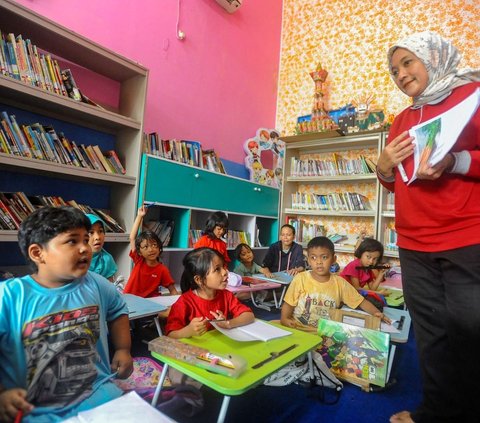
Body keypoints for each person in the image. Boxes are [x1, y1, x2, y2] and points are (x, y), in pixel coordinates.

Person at [376, 31, 480, 423]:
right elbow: (396, 179)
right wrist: (384, 167)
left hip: (467, 238)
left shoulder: (472, 95)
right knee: (431, 335)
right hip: (413, 242)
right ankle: (436, 412)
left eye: (407, 62)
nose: (400, 74)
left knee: (470, 334)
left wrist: (454, 162)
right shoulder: (401, 119)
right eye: (394, 70)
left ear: (431, 57)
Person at [0, 206, 133, 422]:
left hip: (98, 396)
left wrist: (123, 349)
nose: (85, 248)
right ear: (37, 253)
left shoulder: (96, 283)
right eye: (72, 241)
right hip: (35, 409)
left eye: (86, 238)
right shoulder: (9, 297)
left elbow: (118, 310)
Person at [280, 236, 390, 330]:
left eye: (324, 257)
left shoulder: (340, 283)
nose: (319, 262)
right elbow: (289, 303)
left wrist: (376, 313)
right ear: (308, 260)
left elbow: (360, 302)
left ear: (333, 259)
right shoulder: (300, 278)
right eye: (313, 258)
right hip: (298, 327)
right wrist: (285, 319)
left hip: (325, 331)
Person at [165, 248, 254, 338]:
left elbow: (249, 315)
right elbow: (170, 335)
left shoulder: (227, 295)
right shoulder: (184, 302)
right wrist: (188, 331)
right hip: (197, 350)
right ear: (199, 279)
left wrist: (227, 323)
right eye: (217, 269)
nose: (225, 272)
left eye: (223, 266)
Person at [123, 206, 179, 298]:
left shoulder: (162, 270)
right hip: (130, 300)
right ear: (139, 252)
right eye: (146, 247)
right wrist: (139, 216)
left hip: (151, 304)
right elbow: (132, 238)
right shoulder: (139, 260)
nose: (151, 249)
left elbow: (173, 290)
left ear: (159, 248)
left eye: (154, 245)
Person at [86, 213, 118, 281]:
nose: (97, 237)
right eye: (91, 232)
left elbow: (109, 289)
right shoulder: (74, 261)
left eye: (100, 231)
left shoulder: (107, 260)